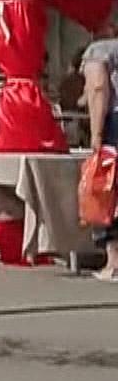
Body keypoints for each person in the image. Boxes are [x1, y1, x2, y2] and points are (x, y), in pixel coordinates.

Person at [81, 19, 118, 279]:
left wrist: (95, 133)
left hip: (115, 123)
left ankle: (114, 261)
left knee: (108, 188)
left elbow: (97, 88)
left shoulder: (100, 50)